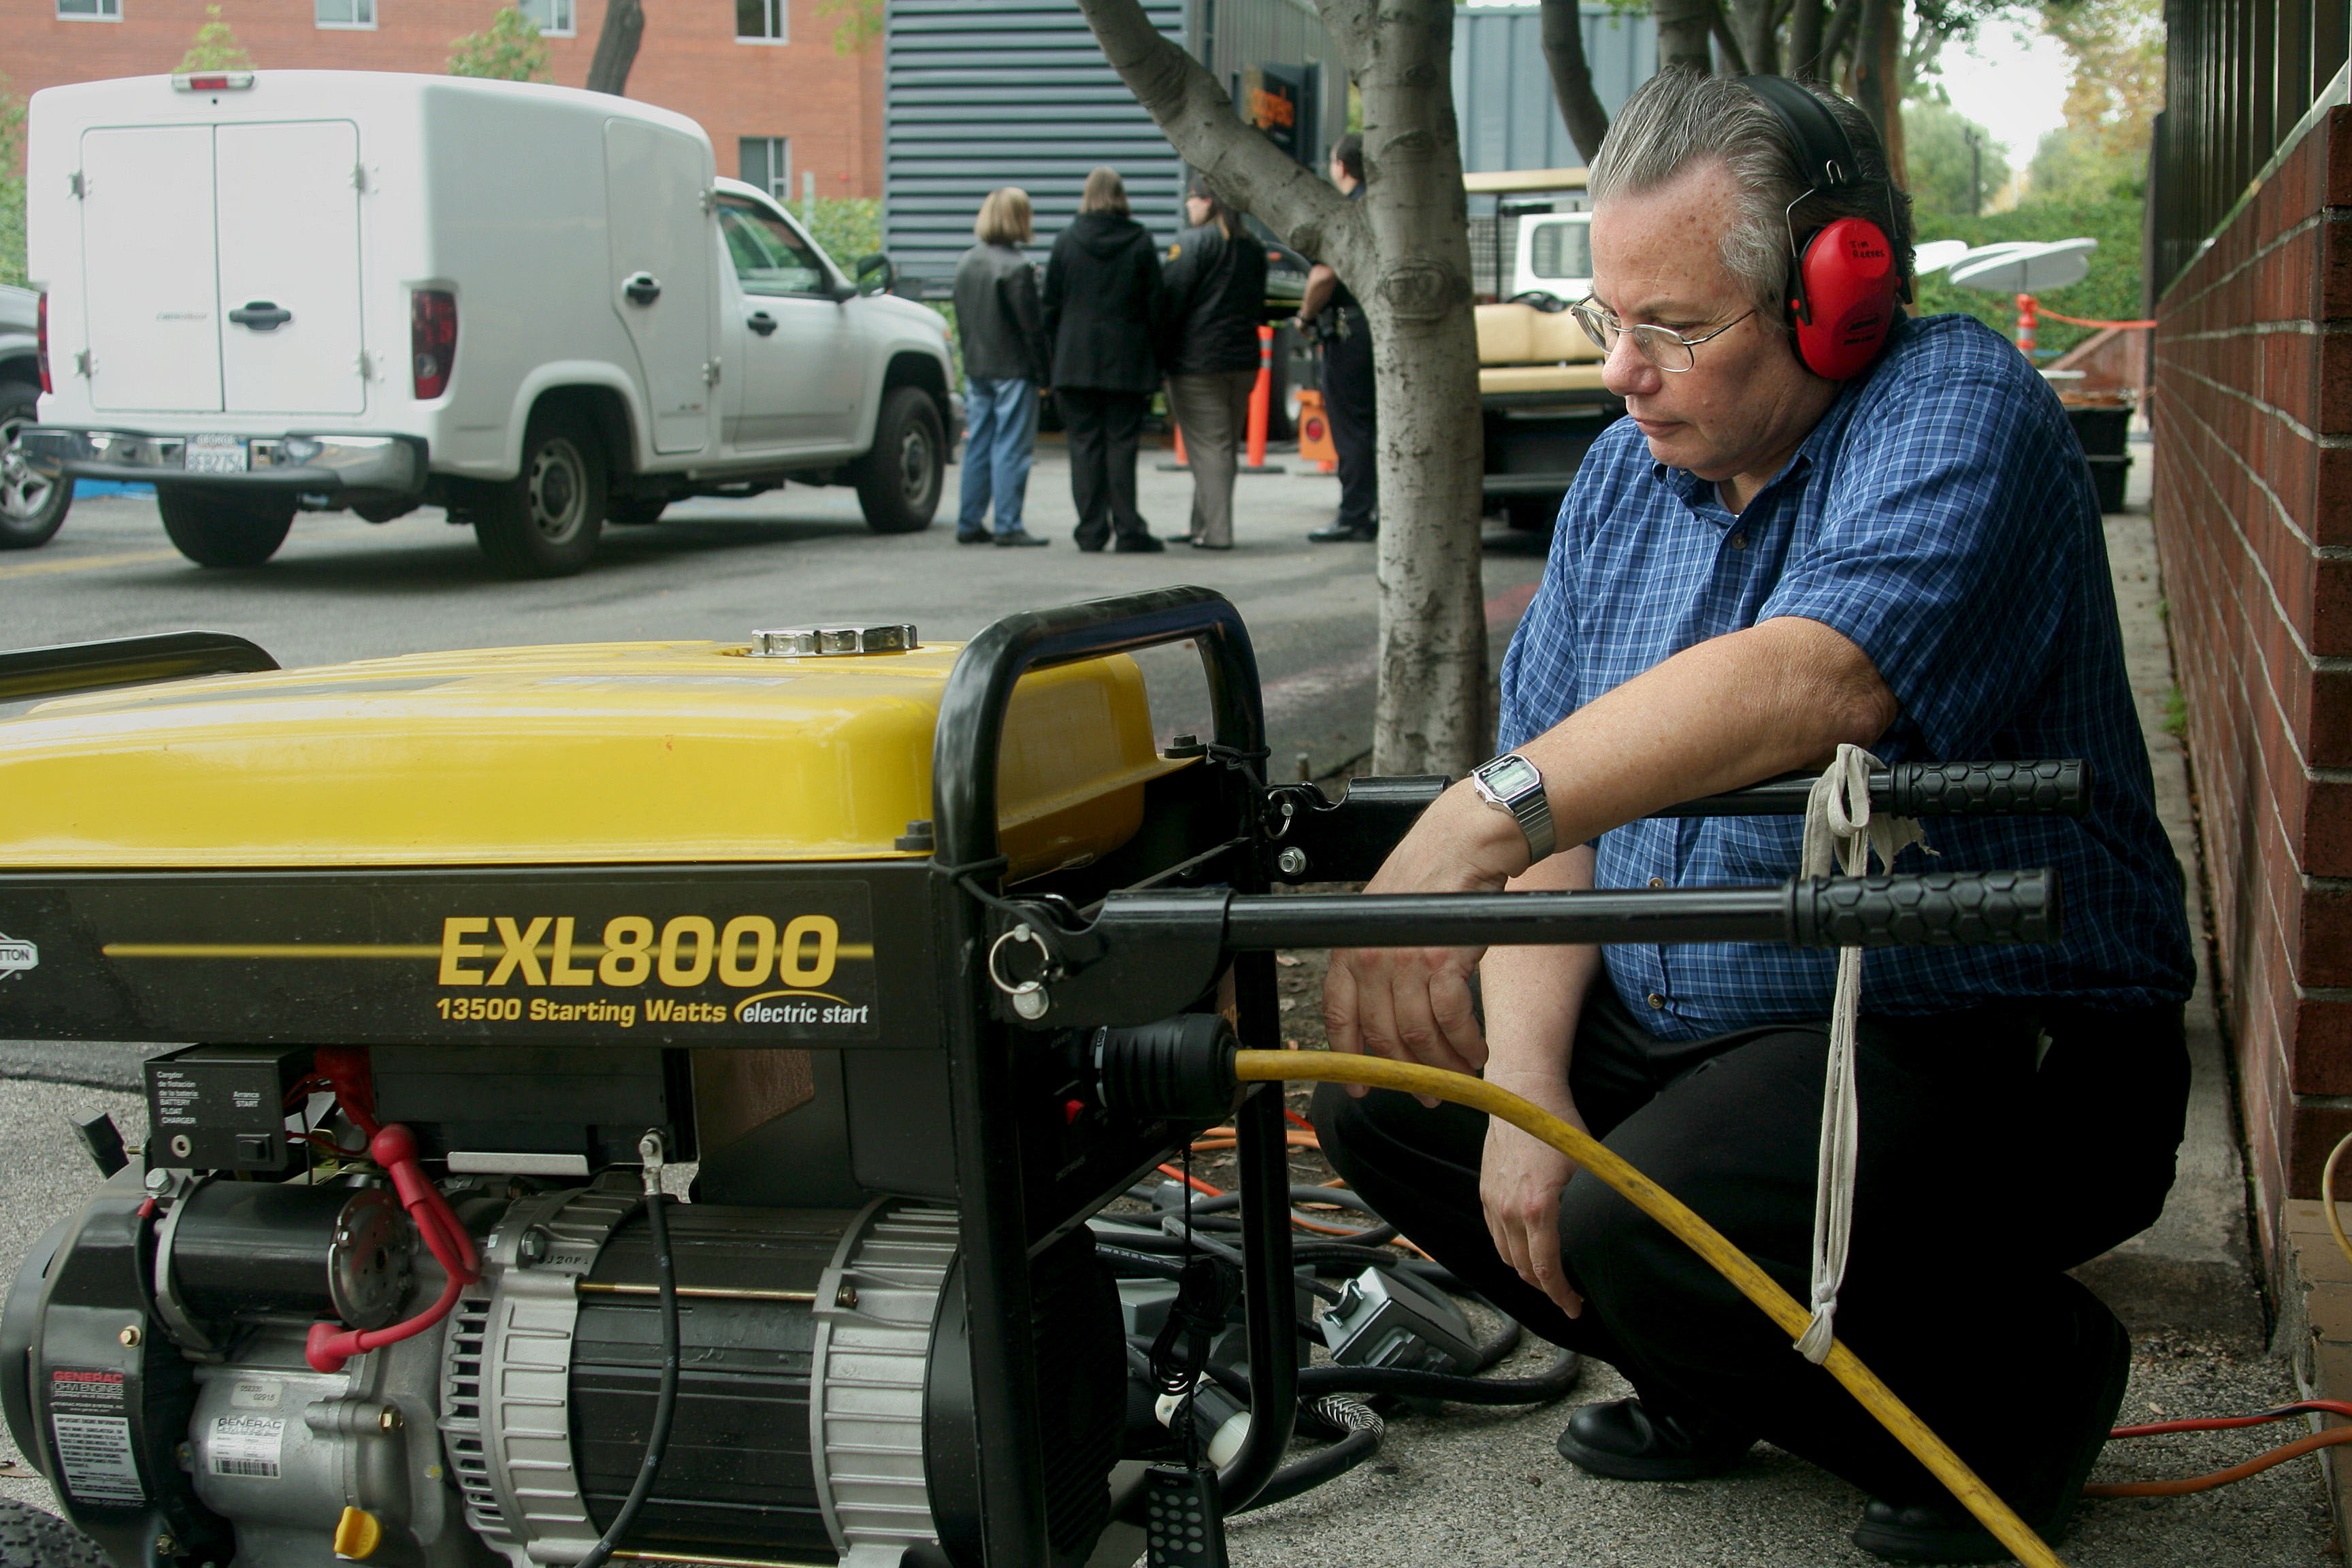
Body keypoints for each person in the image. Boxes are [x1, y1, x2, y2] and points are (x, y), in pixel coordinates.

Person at [1309, 69, 2194, 1564]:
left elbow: (1816, 681)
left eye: (1676, 327)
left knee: (1644, 1218)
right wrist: (1524, 1095)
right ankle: (1706, 1356)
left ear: (1834, 296)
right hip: (1700, 1032)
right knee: (1391, 1100)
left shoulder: (1961, 405)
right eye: (1613, 321)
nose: (1621, 372)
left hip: (1988, 1036)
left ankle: (2019, 1395)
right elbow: (1565, 810)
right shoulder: (1620, 476)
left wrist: (1479, 812)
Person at [1041, 167, 1166, 553]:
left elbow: (1050, 307)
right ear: (1121, 195)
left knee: (1084, 446)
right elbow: (1156, 307)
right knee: (1122, 445)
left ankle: (1091, 531)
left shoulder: (1066, 241)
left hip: (1075, 362)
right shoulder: (1141, 242)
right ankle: (1129, 529)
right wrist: (1157, 358)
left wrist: (1053, 359)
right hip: (1127, 363)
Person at [1160, 174, 1268, 551]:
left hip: (1196, 361)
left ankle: (1218, 532)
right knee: (1219, 446)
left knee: (1210, 447)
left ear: (1207, 202)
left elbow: (1169, 300)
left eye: (1192, 198)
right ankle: (1201, 524)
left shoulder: (1192, 244)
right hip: (1242, 360)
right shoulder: (1252, 247)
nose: (1188, 205)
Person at [951, 188, 1051, 547]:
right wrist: (1044, 373)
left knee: (979, 443)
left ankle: (969, 521)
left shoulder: (966, 262)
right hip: (1013, 368)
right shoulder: (1017, 267)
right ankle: (1008, 524)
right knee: (1012, 446)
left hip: (978, 365)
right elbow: (1031, 328)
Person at [1292, 133, 1375, 543]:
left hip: (1348, 329)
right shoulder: (1382, 209)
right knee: (1375, 426)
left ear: (1342, 166)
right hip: (1378, 329)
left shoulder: (1349, 212)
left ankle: (1355, 514)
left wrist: (1305, 317)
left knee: (1352, 427)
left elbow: (1323, 274)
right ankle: (1372, 508)